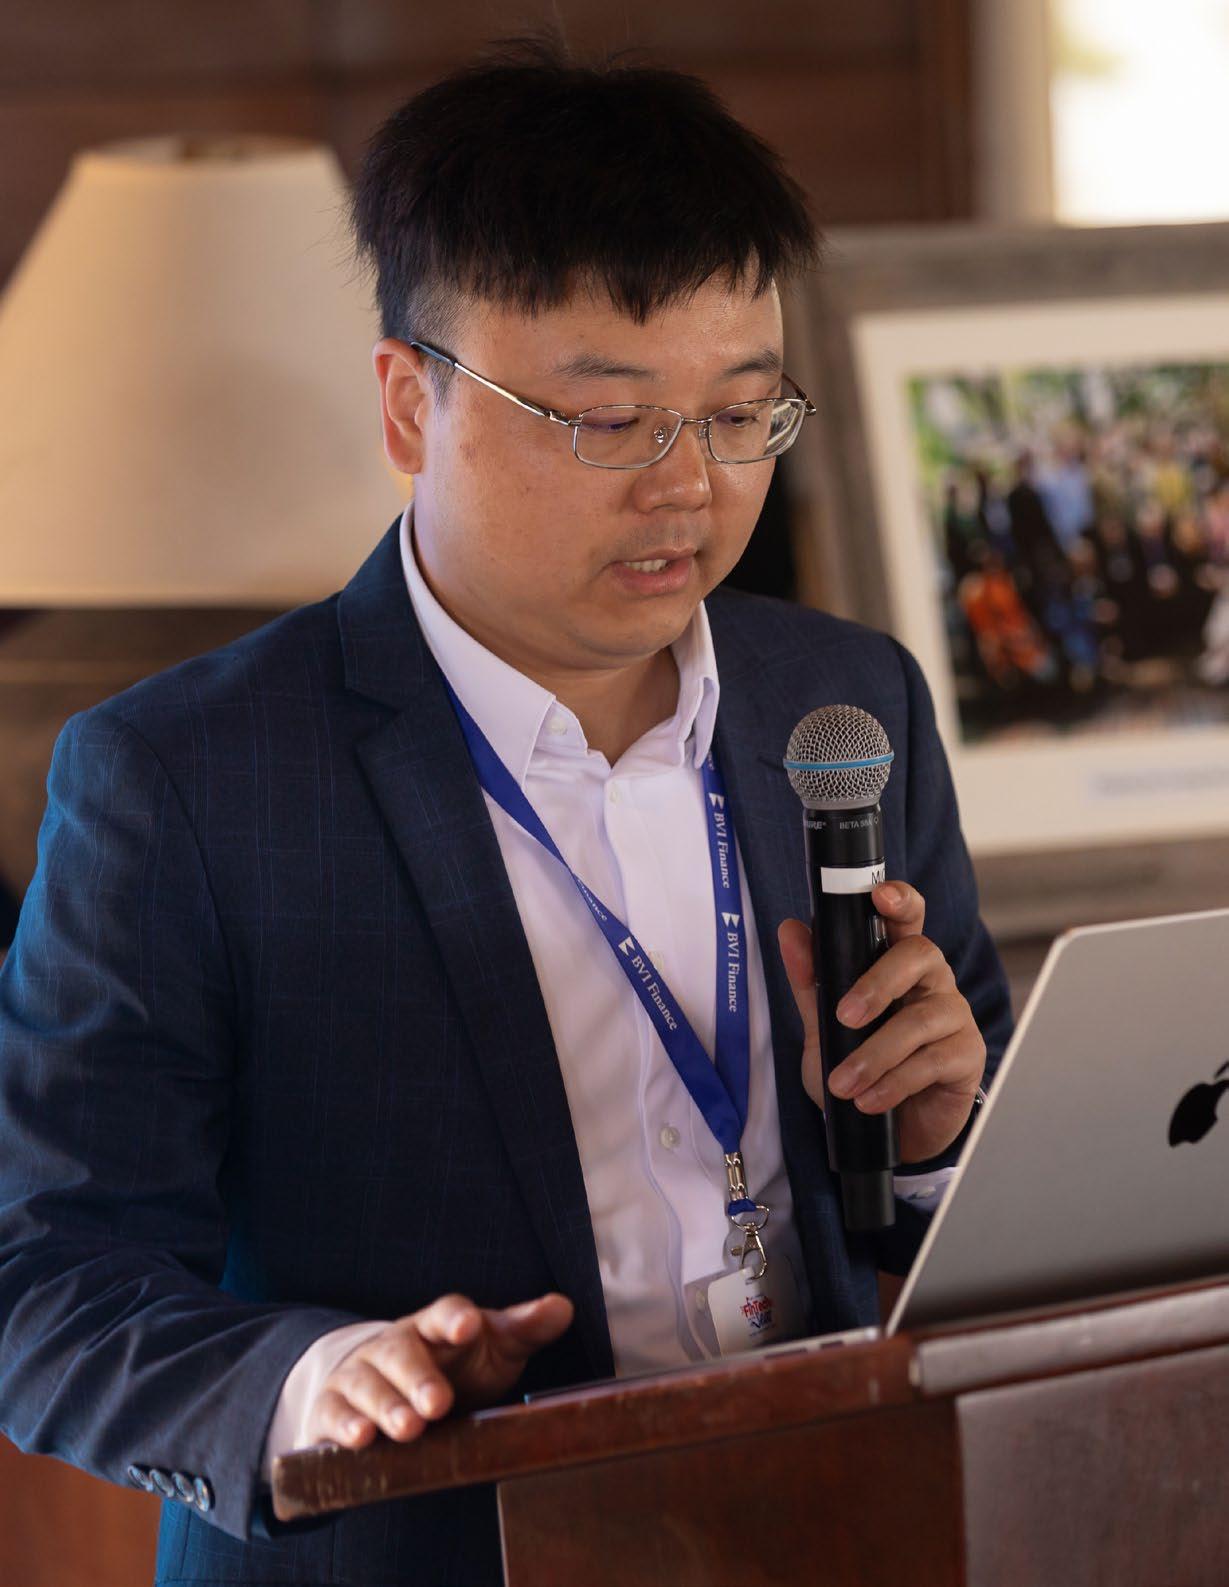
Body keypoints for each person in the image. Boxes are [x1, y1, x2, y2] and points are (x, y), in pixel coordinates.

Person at [0, 38, 1012, 1587]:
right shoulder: (185, 779)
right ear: (411, 405)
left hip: (824, 1528)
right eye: (608, 422)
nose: (688, 488)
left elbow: (958, 1212)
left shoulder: (842, 701)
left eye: (740, 414)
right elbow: (45, 1276)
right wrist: (304, 1383)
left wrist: (935, 1149)